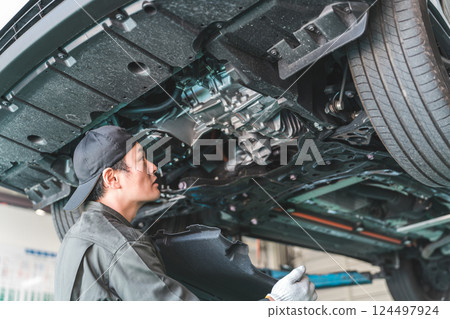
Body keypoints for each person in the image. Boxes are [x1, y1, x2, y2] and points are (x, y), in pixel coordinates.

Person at [54, 125, 318, 301]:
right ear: (112, 178)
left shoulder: (76, 239)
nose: (154, 167)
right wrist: (277, 304)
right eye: (141, 161)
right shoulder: (118, 243)